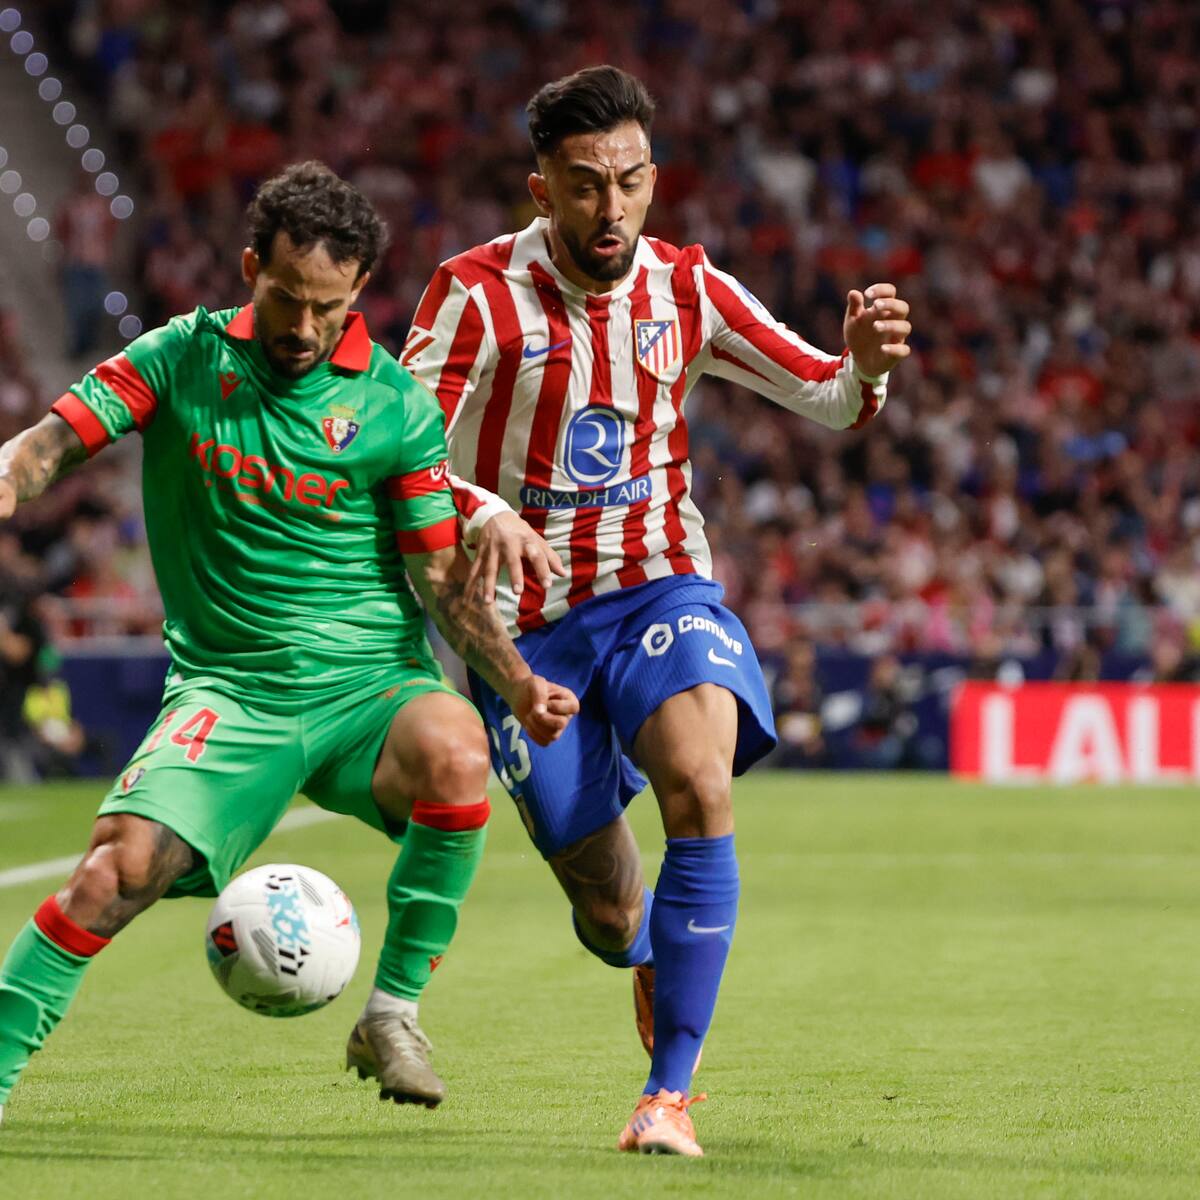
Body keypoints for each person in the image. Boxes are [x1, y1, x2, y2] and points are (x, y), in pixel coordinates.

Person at [0, 162, 578, 1127]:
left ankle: (391, 1014)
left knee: (457, 751)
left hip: (367, 690)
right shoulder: (178, 357)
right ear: (248, 269)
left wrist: (517, 684)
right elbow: (52, 441)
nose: (302, 330)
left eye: (326, 307)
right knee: (115, 871)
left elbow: (440, 578)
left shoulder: (395, 407)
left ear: (357, 294)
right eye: (283, 299)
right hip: (230, 694)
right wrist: (12, 476)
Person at [404, 66, 912, 1156]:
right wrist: (484, 506)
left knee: (699, 779)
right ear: (541, 189)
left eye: (631, 182)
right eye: (585, 187)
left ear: (652, 178)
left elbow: (825, 393)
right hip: (523, 632)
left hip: (658, 590)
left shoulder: (688, 290)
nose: (613, 209)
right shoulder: (474, 294)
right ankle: (641, 951)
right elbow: (393, 457)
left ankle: (666, 1097)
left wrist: (866, 369)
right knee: (605, 906)